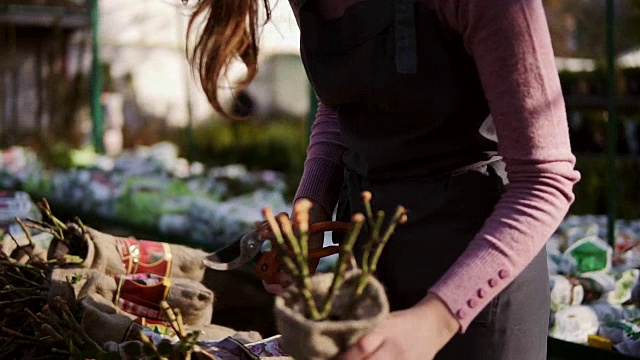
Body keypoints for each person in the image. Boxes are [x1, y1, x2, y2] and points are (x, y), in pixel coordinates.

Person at [187, 0, 581, 359]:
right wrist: (310, 210)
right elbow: (343, 104)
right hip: (370, 272)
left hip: (480, 282)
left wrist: (435, 320)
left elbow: (545, 180)